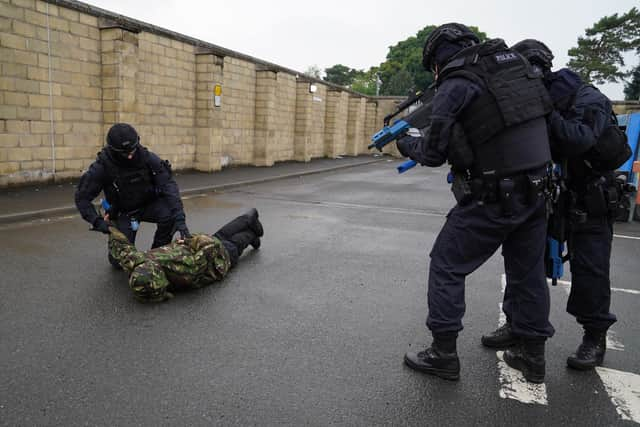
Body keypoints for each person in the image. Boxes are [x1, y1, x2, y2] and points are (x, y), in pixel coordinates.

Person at [396, 24, 555, 383]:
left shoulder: (458, 81)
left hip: (494, 196)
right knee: (527, 273)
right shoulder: (515, 68)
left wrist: (406, 144)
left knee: (446, 264)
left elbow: (434, 153)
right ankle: (533, 356)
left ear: (438, 57)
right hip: (538, 190)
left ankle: (443, 354)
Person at [482, 39, 631, 371]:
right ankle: (517, 325)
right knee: (523, 264)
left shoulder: (585, 97)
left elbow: (577, 140)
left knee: (590, 269)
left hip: (588, 197)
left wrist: (543, 108)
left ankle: (594, 337)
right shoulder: (536, 98)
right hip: (548, 195)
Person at [75, 123, 191, 267]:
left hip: (148, 204)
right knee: (118, 263)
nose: (130, 156)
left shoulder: (147, 158)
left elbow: (168, 185)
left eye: (132, 150)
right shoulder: (102, 167)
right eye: (124, 153)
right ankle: (119, 248)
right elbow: (82, 198)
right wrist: (97, 222)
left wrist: (180, 218)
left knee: (171, 214)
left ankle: (156, 254)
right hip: (124, 212)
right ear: (113, 150)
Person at [108, 208, 263, 302]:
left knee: (220, 235)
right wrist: (190, 242)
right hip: (217, 261)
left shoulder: (139, 265)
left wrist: (108, 226)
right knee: (231, 243)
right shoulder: (185, 273)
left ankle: (248, 220)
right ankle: (251, 231)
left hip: (196, 247)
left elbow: (122, 248)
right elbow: (210, 248)